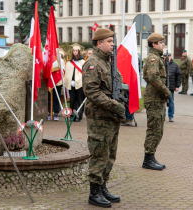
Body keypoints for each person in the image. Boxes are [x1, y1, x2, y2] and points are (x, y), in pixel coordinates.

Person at [83, 28, 124, 207]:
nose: (112, 44)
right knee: (99, 154)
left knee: (110, 155)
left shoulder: (108, 62)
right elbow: (91, 91)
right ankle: (94, 193)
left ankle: (103, 187)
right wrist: (114, 105)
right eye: (109, 41)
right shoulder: (93, 63)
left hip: (111, 117)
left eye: (112, 41)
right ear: (99, 43)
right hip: (100, 118)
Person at [142, 33, 171, 171]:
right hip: (154, 99)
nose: (163, 44)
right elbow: (153, 78)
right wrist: (166, 91)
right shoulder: (154, 58)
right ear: (153, 44)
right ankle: (148, 159)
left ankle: (151, 156)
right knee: (154, 130)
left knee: (157, 130)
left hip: (156, 98)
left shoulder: (157, 58)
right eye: (160, 42)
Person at [64, 43, 85, 122]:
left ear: (79, 52)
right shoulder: (69, 62)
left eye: (76, 51)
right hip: (71, 84)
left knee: (80, 99)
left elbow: (84, 73)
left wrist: (78, 80)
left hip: (79, 83)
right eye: (74, 51)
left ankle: (79, 115)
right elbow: (68, 73)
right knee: (72, 100)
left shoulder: (82, 62)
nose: (75, 52)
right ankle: (72, 115)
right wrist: (69, 81)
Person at [48, 49, 66, 121]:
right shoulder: (49, 59)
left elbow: (63, 71)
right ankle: (50, 112)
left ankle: (56, 113)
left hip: (58, 81)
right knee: (49, 98)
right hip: (50, 82)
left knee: (56, 98)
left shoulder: (61, 61)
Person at [164, 52, 182, 122]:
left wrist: (177, 86)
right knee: (163, 102)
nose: (166, 58)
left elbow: (179, 75)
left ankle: (170, 116)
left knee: (171, 102)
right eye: (165, 56)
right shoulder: (162, 65)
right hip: (163, 87)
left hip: (171, 87)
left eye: (168, 56)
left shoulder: (175, 65)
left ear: (171, 57)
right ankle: (163, 116)